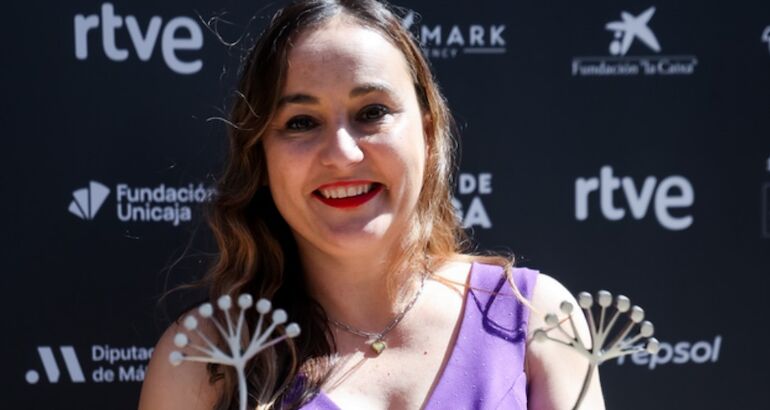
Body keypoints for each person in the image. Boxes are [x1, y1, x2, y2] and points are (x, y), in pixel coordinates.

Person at [139, 0, 605, 409]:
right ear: (260, 155)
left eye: (372, 113)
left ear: (427, 134)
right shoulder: (205, 361)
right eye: (301, 122)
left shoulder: (537, 317)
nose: (342, 153)